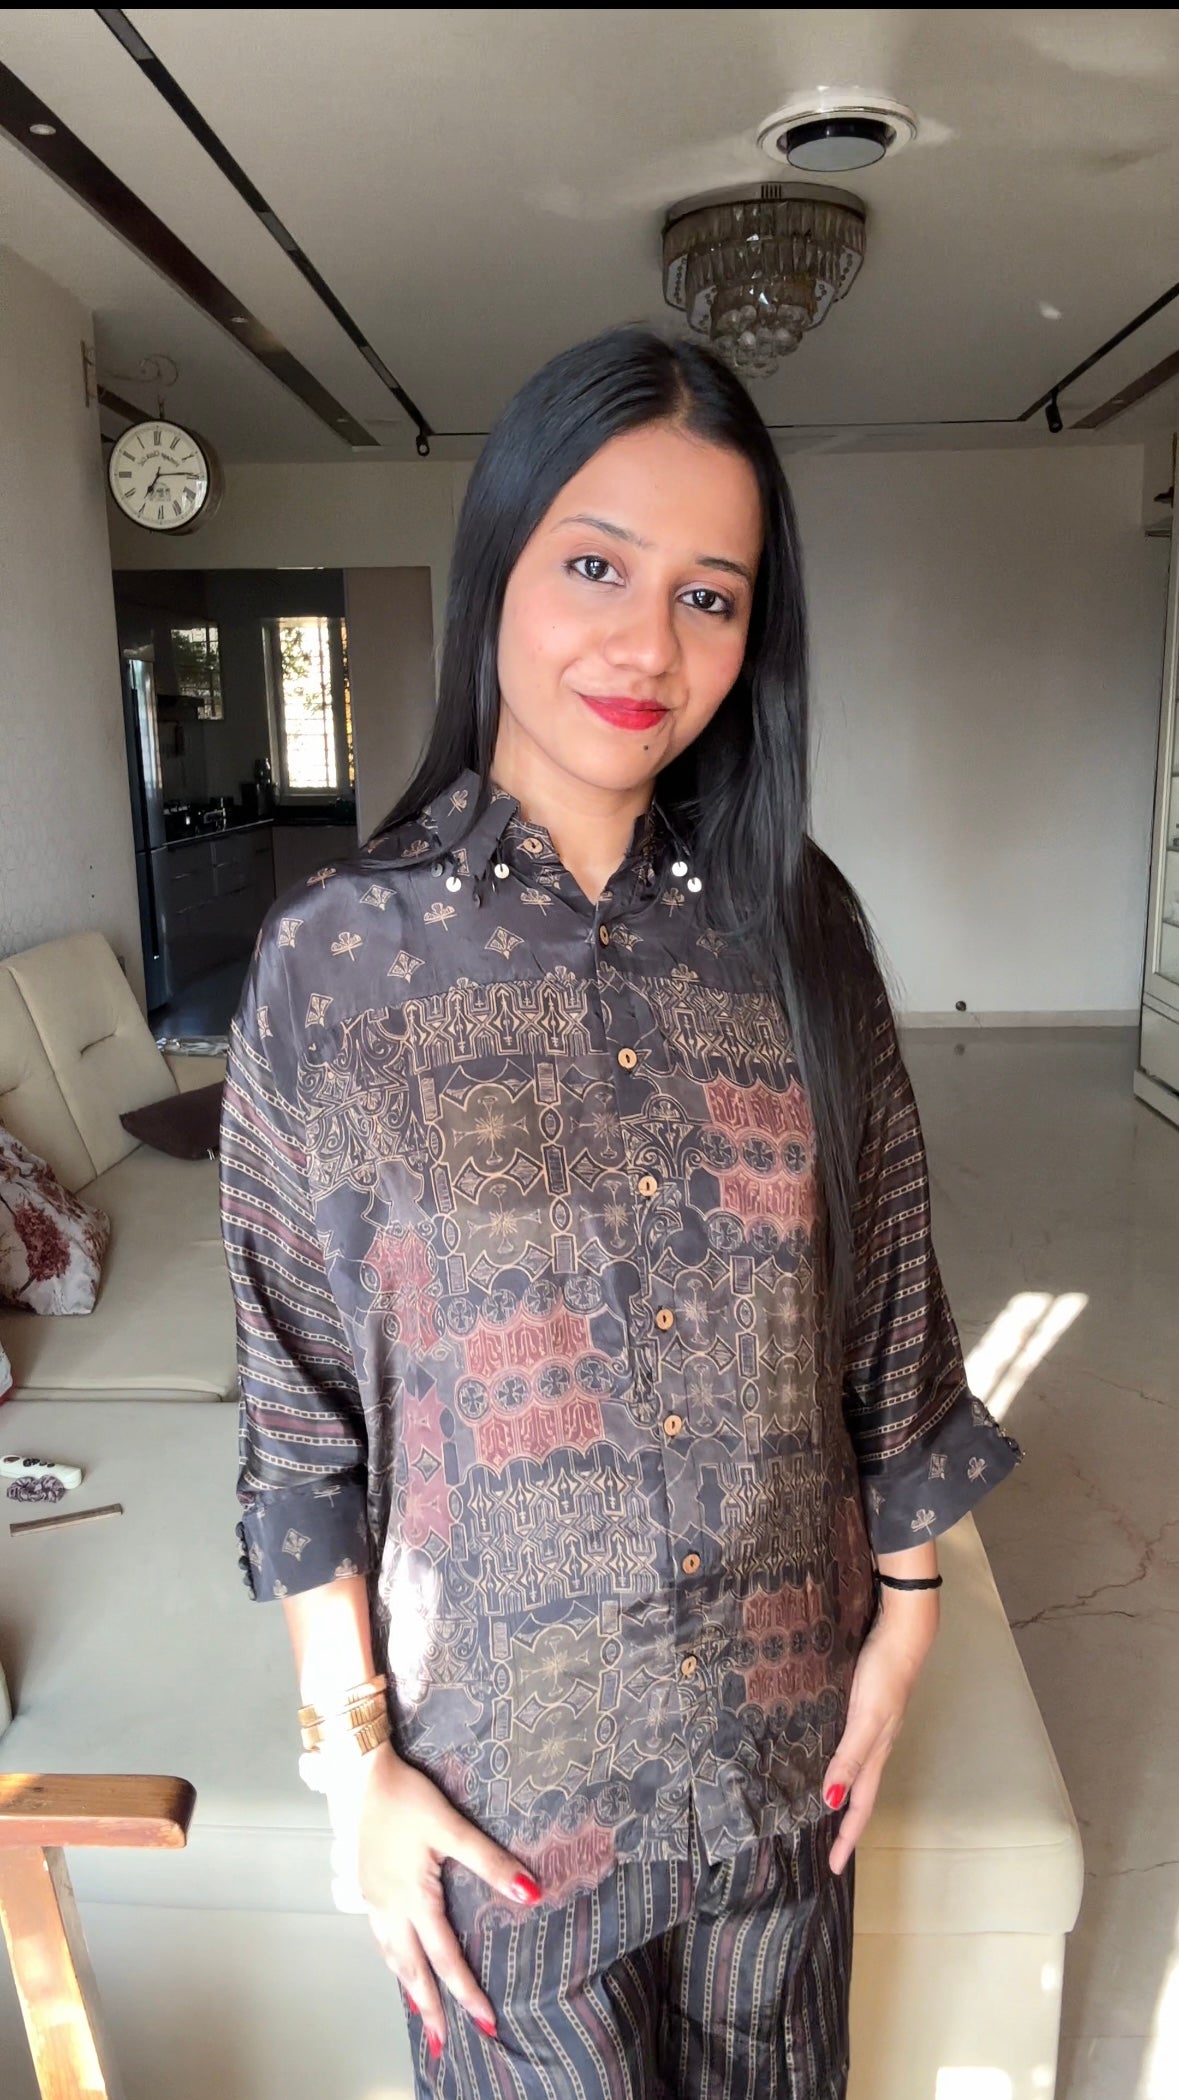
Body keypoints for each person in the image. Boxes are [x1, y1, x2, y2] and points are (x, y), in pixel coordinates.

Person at [219, 327, 1021, 2100]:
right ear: (499, 560)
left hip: (778, 1767)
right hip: (507, 1807)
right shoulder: (332, 962)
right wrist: (354, 1764)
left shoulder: (800, 923)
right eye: (597, 566)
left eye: (709, 597)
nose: (648, 646)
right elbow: (300, 1416)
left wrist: (907, 1613)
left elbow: (886, 1294)